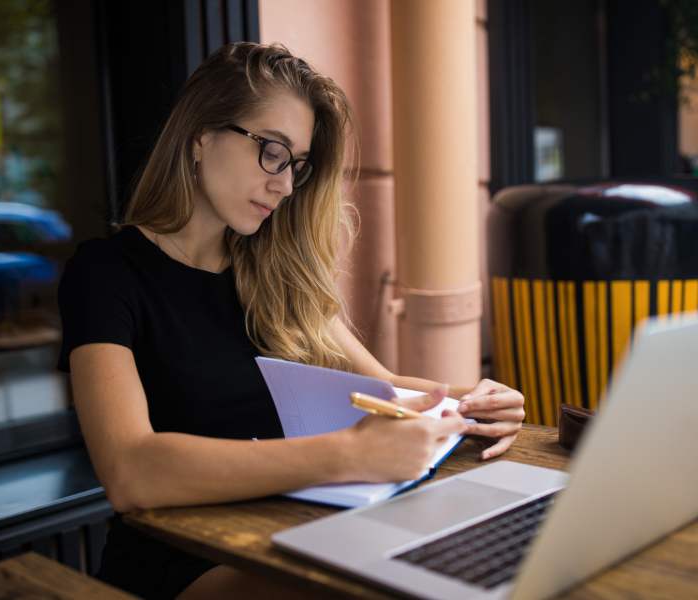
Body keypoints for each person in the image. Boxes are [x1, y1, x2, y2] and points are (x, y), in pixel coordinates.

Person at [57, 42, 525, 599]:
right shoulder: (106, 273)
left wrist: (476, 404)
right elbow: (130, 471)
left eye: (296, 165)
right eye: (271, 151)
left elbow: (388, 390)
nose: (284, 184)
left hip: (293, 535)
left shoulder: (275, 273)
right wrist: (348, 455)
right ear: (201, 135)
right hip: (182, 566)